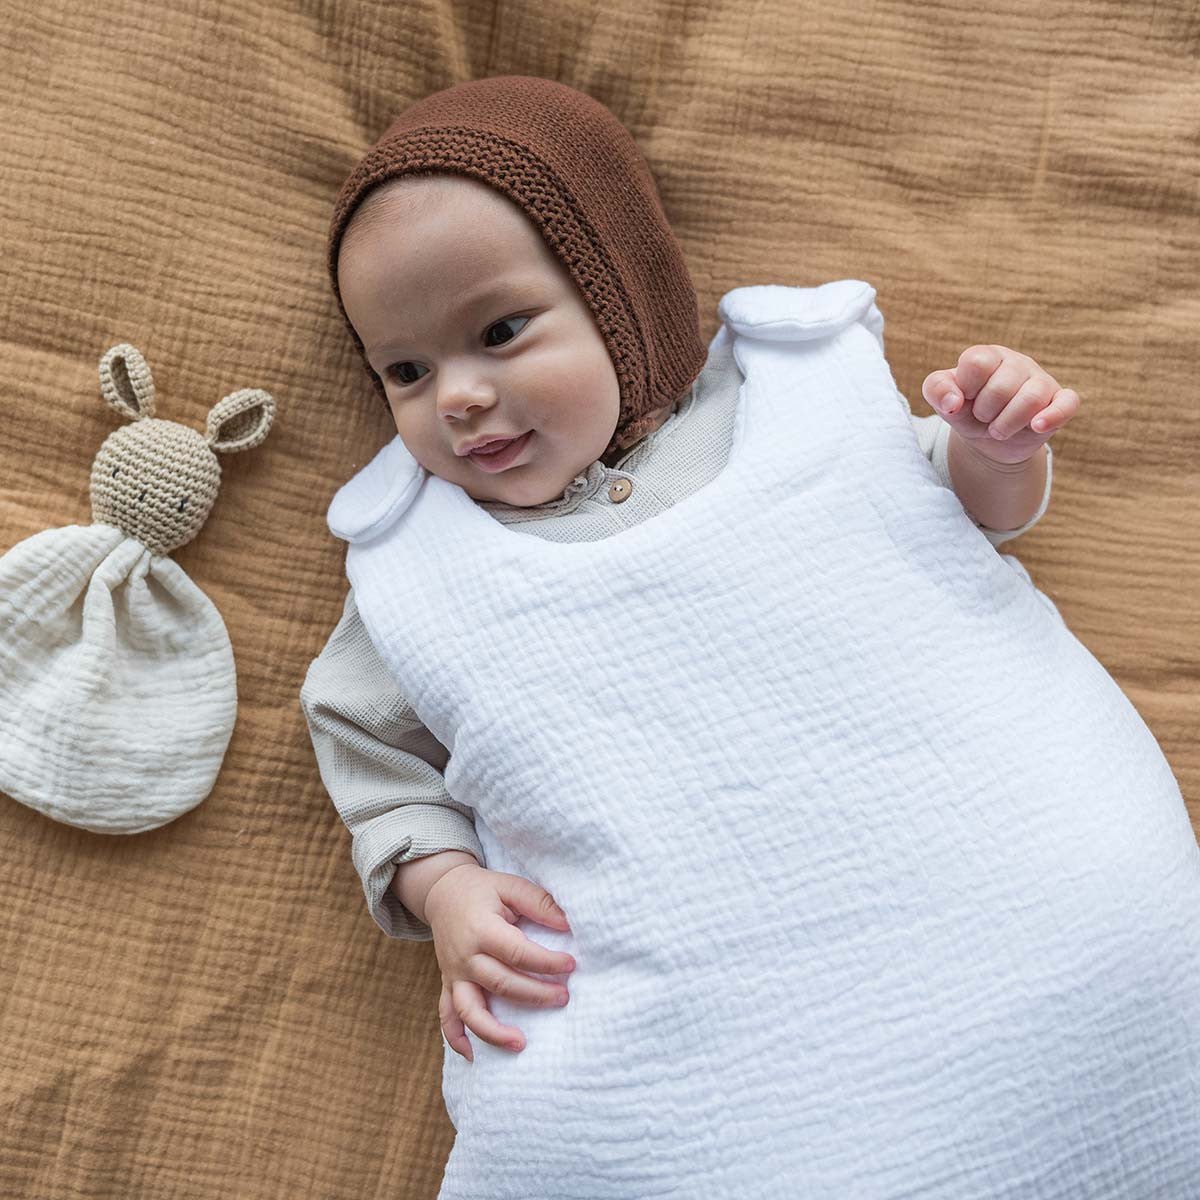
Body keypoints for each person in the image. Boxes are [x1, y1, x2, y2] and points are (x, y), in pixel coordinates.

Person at [300, 75, 1200, 1199]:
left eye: (500, 331)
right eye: (408, 371)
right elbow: (368, 752)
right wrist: (444, 890)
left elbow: (966, 516)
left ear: (619, 292)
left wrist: (998, 445)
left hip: (1004, 891)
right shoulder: (419, 562)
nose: (462, 397)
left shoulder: (802, 401)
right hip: (705, 1022)